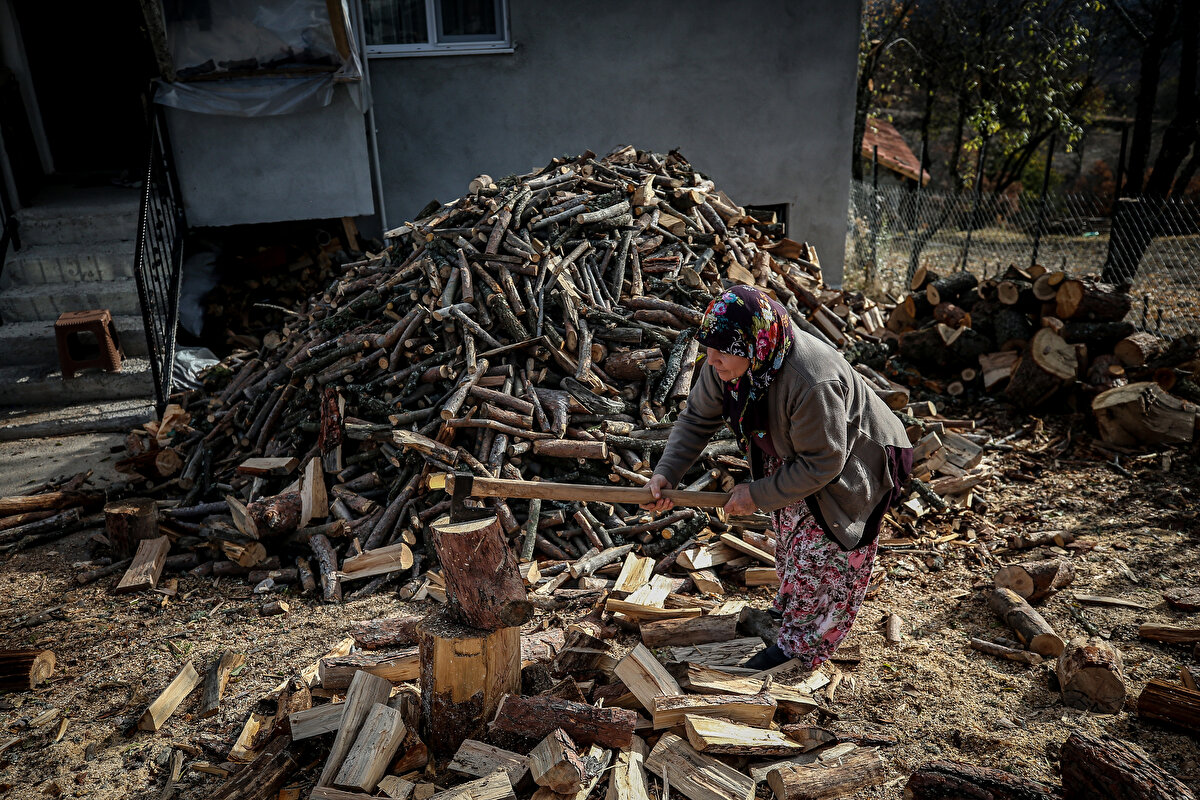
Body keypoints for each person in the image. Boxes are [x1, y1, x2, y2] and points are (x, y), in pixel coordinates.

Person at [644, 285, 912, 670]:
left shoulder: (810, 381)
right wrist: (666, 473)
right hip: (803, 450)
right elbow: (696, 419)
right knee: (791, 536)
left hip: (858, 459)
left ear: (756, 344)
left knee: (824, 551)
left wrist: (757, 494)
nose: (712, 358)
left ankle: (799, 650)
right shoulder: (728, 362)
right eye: (709, 347)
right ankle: (790, 614)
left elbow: (824, 462)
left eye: (723, 350)